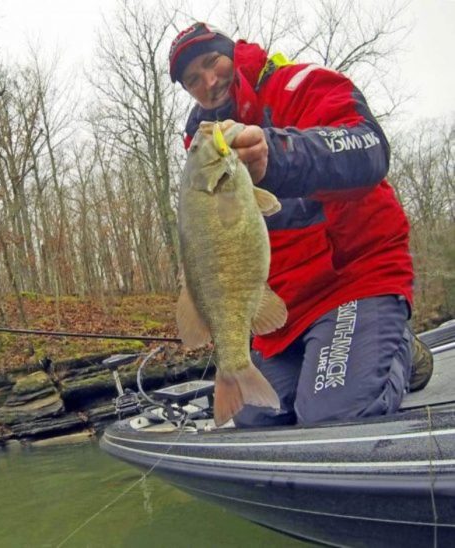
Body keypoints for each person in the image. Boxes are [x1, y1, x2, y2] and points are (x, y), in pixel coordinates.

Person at [169, 22, 433, 427]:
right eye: (192, 79)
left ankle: (398, 350)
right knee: (254, 424)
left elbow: (370, 149)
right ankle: (356, 351)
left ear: (233, 54)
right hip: (284, 312)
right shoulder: (200, 165)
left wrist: (276, 154)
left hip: (354, 281)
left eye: (212, 61)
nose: (209, 80)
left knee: (331, 417)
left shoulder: (302, 85)